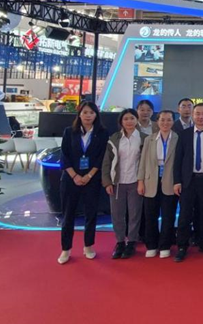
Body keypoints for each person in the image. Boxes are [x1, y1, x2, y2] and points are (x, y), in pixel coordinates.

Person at [57, 101, 109, 265]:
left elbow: (102, 157)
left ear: (96, 115)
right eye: (85, 112)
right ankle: (66, 249)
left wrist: (89, 175)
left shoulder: (102, 133)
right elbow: (64, 155)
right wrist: (74, 176)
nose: (88, 116)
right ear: (79, 114)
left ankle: (88, 246)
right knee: (68, 215)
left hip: (91, 179)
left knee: (91, 214)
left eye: (91, 113)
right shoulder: (69, 132)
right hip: (70, 178)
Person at [173, 103, 203, 262]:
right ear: (193, 115)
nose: (201, 117)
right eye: (198, 114)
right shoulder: (184, 134)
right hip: (189, 180)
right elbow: (178, 159)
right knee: (185, 215)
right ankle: (182, 246)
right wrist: (177, 181)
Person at [101, 108, 146, 259]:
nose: (129, 121)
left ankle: (132, 242)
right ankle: (120, 242)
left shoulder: (144, 139)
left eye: (132, 118)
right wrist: (107, 182)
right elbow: (106, 162)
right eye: (126, 119)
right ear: (121, 121)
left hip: (136, 181)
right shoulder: (114, 138)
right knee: (117, 214)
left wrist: (143, 181)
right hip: (117, 182)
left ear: (137, 120)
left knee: (134, 214)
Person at [138, 110, 178, 259]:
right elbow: (142, 162)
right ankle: (151, 245)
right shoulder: (149, 139)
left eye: (169, 120)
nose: (165, 123)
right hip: (150, 181)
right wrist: (140, 181)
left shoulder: (178, 138)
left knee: (168, 216)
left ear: (173, 122)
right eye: (162, 120)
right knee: (150, 215)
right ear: (157, 121)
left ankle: (165, 245)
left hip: (170, 181)